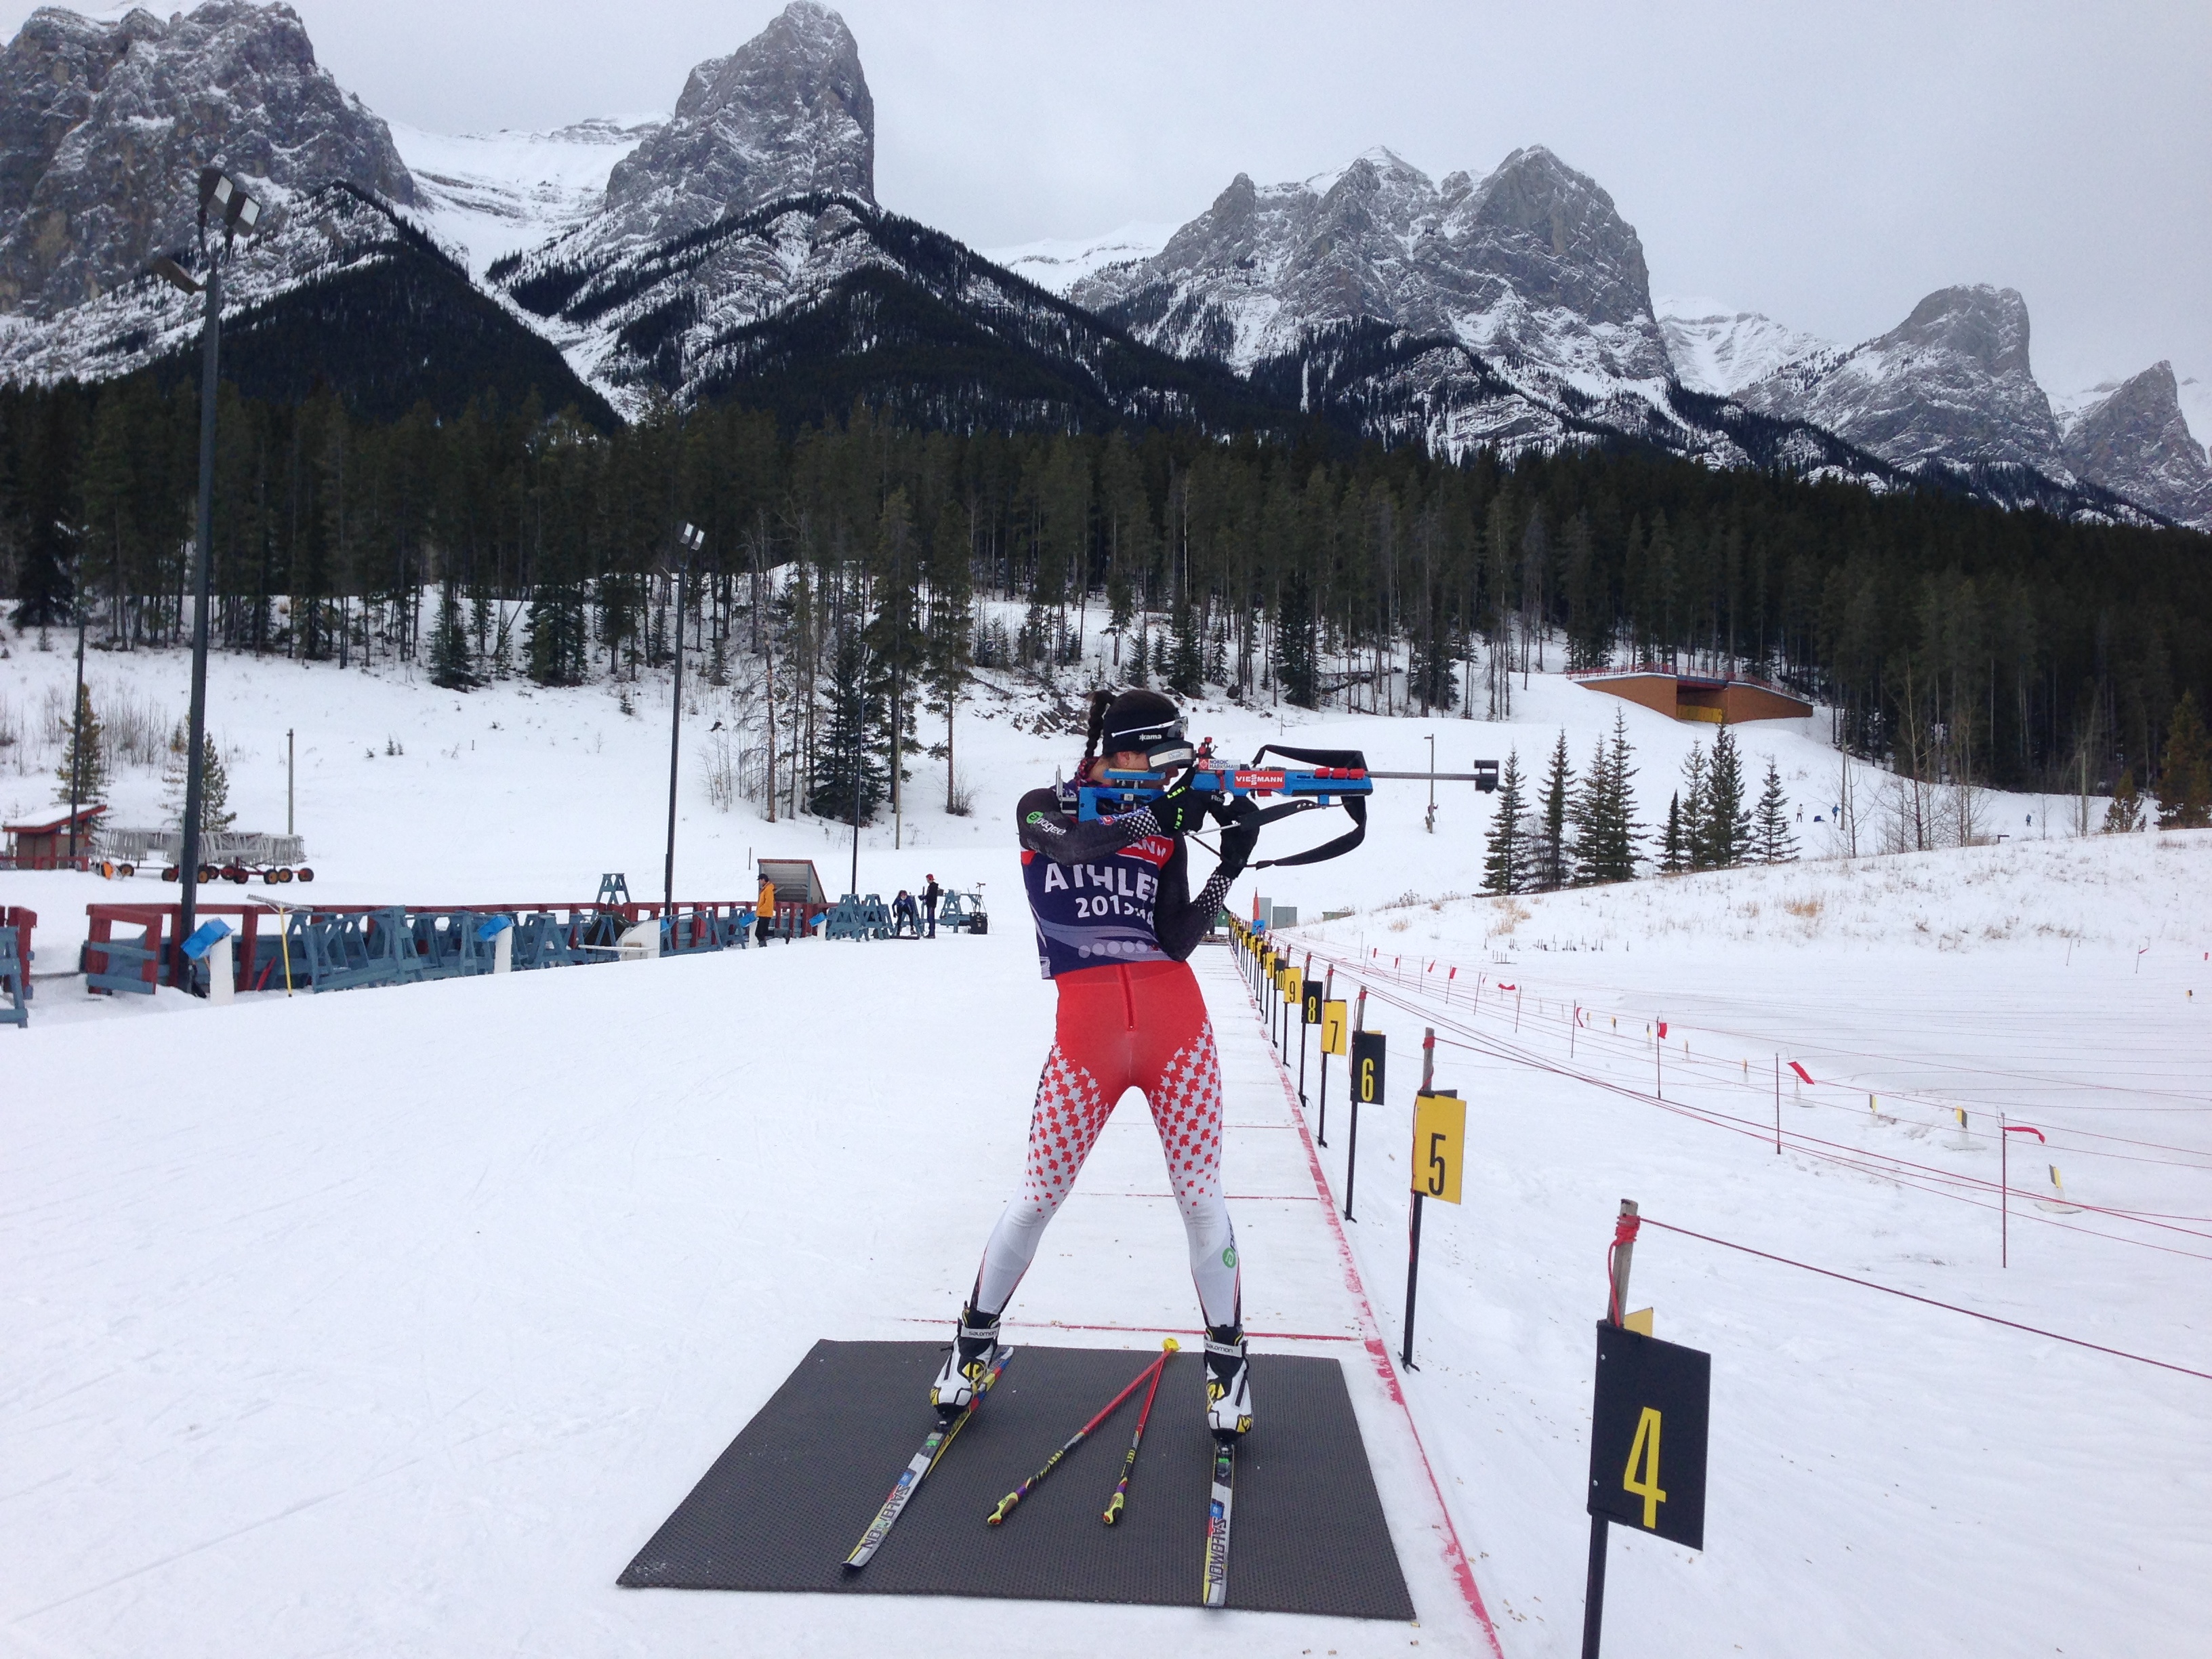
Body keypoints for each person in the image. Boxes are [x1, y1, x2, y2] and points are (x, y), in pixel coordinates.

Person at [930, 689, 1262, 1438]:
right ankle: (971, 1343)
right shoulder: (1041, 806)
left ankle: (1228, 1366)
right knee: (1036, 1199)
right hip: (1086, 1039)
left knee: (1202, 1200)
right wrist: (1158, 816)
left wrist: (1228, 866)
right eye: (1160, 754)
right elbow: (1072, 848)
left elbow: (1176, 938)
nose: (1169, 768)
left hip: (1176, 1027)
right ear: (1122, 752)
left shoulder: (1162, 831)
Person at [755, 873, 776, 947]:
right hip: (763, 914)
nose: (760, 882)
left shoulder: (768, 889)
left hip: (765, 914)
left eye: (760, 880)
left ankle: (784, 933)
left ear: (763, 880)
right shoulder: (765, 889)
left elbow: (768, 904)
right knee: (759, 933)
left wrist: (760, 910)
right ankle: (763, 946)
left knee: (762, 932)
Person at [922, 874, 941, 939]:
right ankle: (931, 933)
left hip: (931, 904)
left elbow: (931, 896)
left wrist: (924, 897)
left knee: (931, 919)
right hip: (930, 904)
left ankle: (932, 933)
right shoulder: (931, 886)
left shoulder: (933, 887)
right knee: (930, 918)